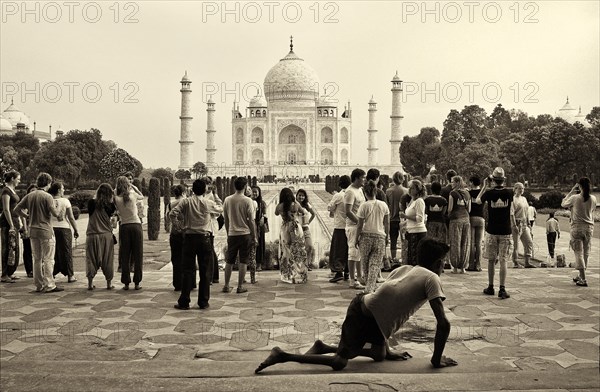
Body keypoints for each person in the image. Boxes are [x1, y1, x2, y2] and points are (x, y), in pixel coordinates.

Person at [255, 238, 456, 373]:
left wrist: (387, 347)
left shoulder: (406, 269)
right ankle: (282, 355)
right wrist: (436, 360)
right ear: (438, 263)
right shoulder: (431, 278)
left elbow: (385, 302)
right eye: (443, 263)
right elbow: (444, 324)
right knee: (339, 362)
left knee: (380, 355)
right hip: (362, 312)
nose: (443, 269)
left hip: (370, 310)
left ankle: (322, 346)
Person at [170, 179, 222, 309]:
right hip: (204, 238)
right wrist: (216, 196)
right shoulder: (208, 203)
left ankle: (184, 301)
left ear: (192, 189)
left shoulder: (186, 201)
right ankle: (203, 302)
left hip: (189, 238)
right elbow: (220, 209)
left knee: (187, 270)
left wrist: (178, 227)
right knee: (205, 271)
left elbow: (172, 213)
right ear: (205, 190)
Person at [13, 172, 64, 293]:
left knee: (36, 258)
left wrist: (26, 216)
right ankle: (49, 284)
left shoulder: (30, 195)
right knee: (48, 259)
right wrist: (60, 211)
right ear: (48, 183)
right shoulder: (47, 197)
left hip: (33, 230)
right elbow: (55, 214)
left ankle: (38, 284)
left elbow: (16, 209)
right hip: (46, 230)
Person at [476, 167, 514, 299]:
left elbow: (477, 201)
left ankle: (491, 286)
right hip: (505, 230)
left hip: (492, 230)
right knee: (503, 260)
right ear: (503, 179)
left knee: (491, 260)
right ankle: (502, 289)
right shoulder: (509, 193)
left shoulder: (489, 193)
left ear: (493, 179)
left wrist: (485, 186)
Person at [222, 176, 257, 293]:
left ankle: (226, 285)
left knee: (229, 260)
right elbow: (251, 220)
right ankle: (240, 287)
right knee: (243, 261)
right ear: (245, 186)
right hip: (245, 234)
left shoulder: (227, 199)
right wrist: (254, 235)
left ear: (234, 186)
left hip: (232, 234)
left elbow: (226, 219)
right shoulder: (248, 201)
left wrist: (228, 233)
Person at [561, 177, 597, 287]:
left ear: (580, 186)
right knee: (585, 253)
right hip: (589, 228)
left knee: (578, 253)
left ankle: (583, 278)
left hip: (577, 227)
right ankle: (580, 275)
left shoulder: (575, 197)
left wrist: (571, 191)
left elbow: (563, 204)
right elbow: (592, 211)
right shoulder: (593, 198)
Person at [355, 180, 389, 293]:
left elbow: (359, 225)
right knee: (375, 265)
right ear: (376, 191)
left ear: (365, 192)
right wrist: (387, 237)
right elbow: (386, 223)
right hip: (379, 237)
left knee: (366, 266)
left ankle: (368, 290)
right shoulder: (383, 205)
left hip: (365, 237)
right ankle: (371, 288)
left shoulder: (363, 206)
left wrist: (356, 239)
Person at [114, 176, 145, 290]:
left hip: (125, 226)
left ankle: (126, 282)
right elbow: (142, 196)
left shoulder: (116, 198)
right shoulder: (133, 195)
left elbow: (114, 193)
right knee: (138, 254)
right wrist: (134, 187)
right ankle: (137, 282)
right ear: (128, 184)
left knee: (125, 254)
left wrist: (117, 187)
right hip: (136, 225)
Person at [85, 183, 117, 290]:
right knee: (107, 259)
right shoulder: (110, 206)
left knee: (91, 259)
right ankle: (109, 283)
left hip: (92, 235)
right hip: (106, 236)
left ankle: (90, 283)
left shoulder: (91, 203)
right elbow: (113, 223)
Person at [275, 187, 308, 284]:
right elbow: (303, 212)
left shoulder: (279, 206)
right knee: (298, 250)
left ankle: (287, 275)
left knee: (286, 251)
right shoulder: (295, 204)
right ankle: (300, 275)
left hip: (285, 228)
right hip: (295, 227)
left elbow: (276, 213)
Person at [48, 182, 79, 283]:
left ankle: (52, 273)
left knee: (53, 252)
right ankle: (70, 275)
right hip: (64, 229)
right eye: (62, 188)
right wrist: (76, 229)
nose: (64, 190)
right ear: (58, 190)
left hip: (52, 229)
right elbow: (71, 217)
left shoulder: (49, 200)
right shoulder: (65, 201)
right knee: (67, 252)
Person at [345, 169, 367, 289]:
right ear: (357, 178)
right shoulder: (350, 192)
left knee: (359, 253)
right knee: (353, 253)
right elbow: (348, 212)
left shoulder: (359, 190)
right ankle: (352, 280)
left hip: (359, 225)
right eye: (363, 177)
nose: (364, 180)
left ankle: (360, 276)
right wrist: (359, 223)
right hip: (353, 226)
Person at [328, 175, 351, 283]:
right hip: (350, 226)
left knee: (338, 250)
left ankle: (338, 272)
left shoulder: (339, 195)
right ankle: (347, 272)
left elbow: (330, 207)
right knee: (347, 250)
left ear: (340, 184)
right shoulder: (353, 194)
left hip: (340, 226)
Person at [1, 171, 23, 283]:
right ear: (12, 178)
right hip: (8, 224)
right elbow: (6, 209)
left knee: (14, 248)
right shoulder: (6, 191)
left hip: (14, 223)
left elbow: (15, 208)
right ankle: (4, 274)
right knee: (7, 248)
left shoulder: (12, 191)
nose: (19, 181)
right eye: (18, 179)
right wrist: (11, 225)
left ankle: (10, 272)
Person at [400, 179, 427, 266]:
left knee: (415, 259)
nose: (410, 190)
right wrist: (404, 223)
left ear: (417, 190)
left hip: (417, 232)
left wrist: (405, 216)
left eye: (412, 188)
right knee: (411, 258)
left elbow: (419, 218)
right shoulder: (413, 200)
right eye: (409, 188)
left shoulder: (419, 201)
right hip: (411, 231)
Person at [447, 176, 471, 274]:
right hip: (466, 220)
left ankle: (455, 267)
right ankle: (463, 267)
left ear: (457, 182)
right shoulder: (467, 193)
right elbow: (469, 209)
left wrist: (449, 216)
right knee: (465, 243)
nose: (451, 184)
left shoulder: (452, 193)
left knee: (455, 243)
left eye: (453, 182)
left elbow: (450, 209)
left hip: (455, 220)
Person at [166, 184, 186, 291]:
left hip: (174, 233)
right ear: (183, 192)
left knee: (176, 259)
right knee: (187, 258)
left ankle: (177, 283)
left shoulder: (170, 204)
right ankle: (189, 282)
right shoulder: (186, 202)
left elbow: (167, 218)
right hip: (186, 233)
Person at [512, 182, 535, 268]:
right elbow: (512, 214)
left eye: (522, 188)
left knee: (529, 242)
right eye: (519, 188)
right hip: (517, 223)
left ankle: (527, 262)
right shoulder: (513, 200)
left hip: (524, 223)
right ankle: (515, 262)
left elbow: (526, 212)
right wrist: (514, 225)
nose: (521, 190)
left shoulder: (524, 199)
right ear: (515, 189)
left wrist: (529, 223)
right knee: (516, 245)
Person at [386, 171, 407, 265]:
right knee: (404, 240)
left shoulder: (388, 191)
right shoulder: (406, 191)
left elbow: (387, 205)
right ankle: (404, 257)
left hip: (392, 218)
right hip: (404, 218)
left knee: (393, 240)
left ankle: (394, 258)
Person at [296, 189, 316, 270]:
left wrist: (308, 222)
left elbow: (313, 214)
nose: (301, 197)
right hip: (297, 229)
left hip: (305, 228)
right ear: (296, 195)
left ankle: (307, 263)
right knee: (298, 247)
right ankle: (299, 265)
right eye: (299, 195)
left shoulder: (307, 205)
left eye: (303, 196)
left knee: (310, 246)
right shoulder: (294, 204)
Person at [20, 184, 38, 278]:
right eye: (32, 191)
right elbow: (23, 217)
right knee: (27, 250)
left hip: (35, 227)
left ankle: (36, 269)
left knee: (35, 250)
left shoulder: (36, 201)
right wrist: (25, 229)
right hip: (27, 227)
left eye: (35, 190)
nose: (34, 192)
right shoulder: (27, 201)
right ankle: (29, 270)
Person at [467, 176, 484, 272]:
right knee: (478, 243)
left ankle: (471, 265)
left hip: (471, 217)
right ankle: (478, 265)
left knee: (471, 243)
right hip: (481, 218)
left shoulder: (469, 194)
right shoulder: (482, 193)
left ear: (472, 183)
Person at [251, 185, 267, 282]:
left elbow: (264, 213)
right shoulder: (248, 202)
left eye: (256, 192)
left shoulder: (262, 203)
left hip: (259, 226)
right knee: (252, 245)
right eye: (253, 192)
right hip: (251, 226)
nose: (254, 193)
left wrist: (262, 218)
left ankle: (259, 264)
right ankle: (252, 263)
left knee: (260, 244)